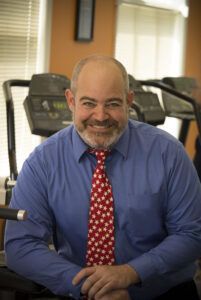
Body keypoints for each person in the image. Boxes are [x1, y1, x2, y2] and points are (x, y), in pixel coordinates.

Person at [4, 54, 201, 300]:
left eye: (112, 104)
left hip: (164, 293)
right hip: (81, 292)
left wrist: (131, 273)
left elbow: (191, 234)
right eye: (88, 103)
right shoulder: (43, 162)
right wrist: (89, 287)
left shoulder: (168, 153)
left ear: (129, 101)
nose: (100, 116)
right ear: (71, 101)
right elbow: (20, 245)